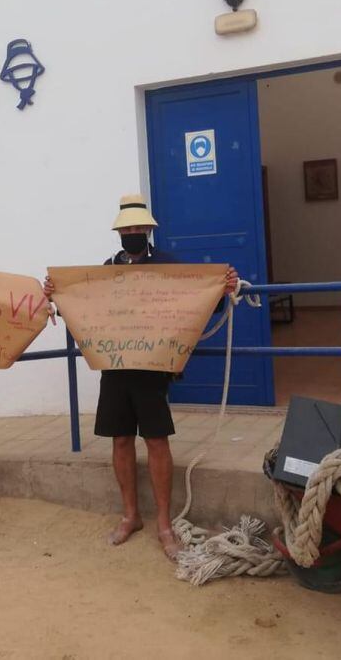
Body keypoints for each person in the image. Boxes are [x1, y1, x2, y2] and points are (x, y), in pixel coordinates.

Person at [43, 194, 237, 560]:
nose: (132, 232)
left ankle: (163, 523)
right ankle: (130, 515)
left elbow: (203, 303)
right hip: (115, 366)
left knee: (156, 440)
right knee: (120, 439)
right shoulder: (106, 269)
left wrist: (223, 288)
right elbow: (84, 307)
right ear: (119, 232)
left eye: (137, 227)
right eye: (126, 228)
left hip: (152, 368)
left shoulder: (169, 266)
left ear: (147, 230)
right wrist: (57, 294)